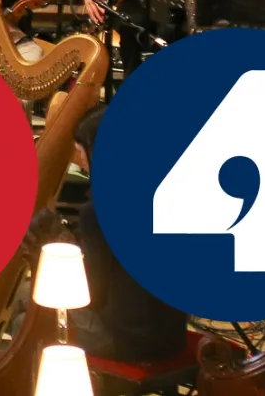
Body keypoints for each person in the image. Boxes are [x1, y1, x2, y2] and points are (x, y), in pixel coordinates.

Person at [69, 106, 189, 363]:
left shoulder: (99, 211)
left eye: (80, 152)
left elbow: (90, 293)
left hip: (125, 341)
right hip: (174, 336)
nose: (78, 162)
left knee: (29, 310)